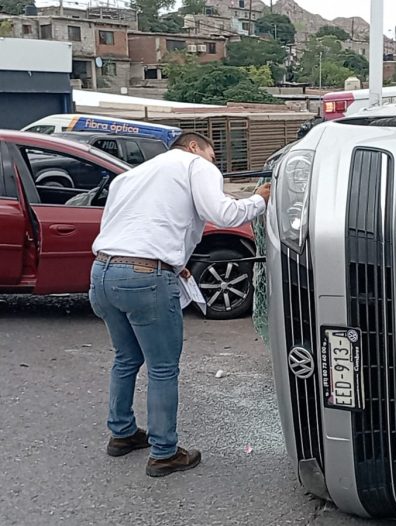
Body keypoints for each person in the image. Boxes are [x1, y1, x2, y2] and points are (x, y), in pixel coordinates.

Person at [89, 132, 271, 477]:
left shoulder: (130, 176)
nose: (213, 162)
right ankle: (164, 452)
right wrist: (258, 199)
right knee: (162, 368)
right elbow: (221, 212)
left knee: (126, 357)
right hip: (145, 276)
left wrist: (175, 261)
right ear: (193, 147)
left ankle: (122, 434)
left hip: (103, 271)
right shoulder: (194, 165)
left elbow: (132, 226)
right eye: (212, 154)